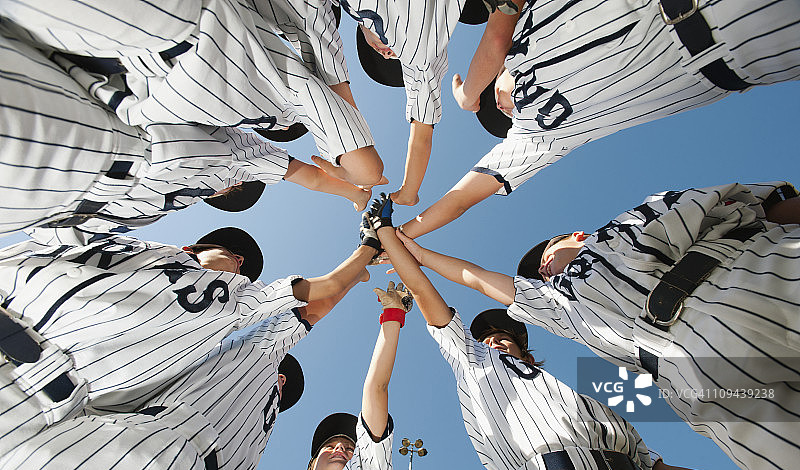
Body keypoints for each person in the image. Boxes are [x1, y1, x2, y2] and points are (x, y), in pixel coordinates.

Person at [371, 180, 800, 470]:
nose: (542, 271)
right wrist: (401, 245)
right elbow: (464, 283)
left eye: (545, 255)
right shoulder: (497, 347)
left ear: (576, 236)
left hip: (750, 282)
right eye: (487, 336)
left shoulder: (589, 383)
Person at [0, 261, 367, 470]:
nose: (283, 384)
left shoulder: (263, 430)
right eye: (286, 378)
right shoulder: (256, 351)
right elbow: (314, 306)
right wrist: (359, 266)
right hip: (131, 448)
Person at [398, 0, 800, 238]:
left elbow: (498, 34)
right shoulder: (536, 133)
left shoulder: (524, 20)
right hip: (744, 52)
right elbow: (461, 198)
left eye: (492, 99)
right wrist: (399, 234)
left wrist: (469, 94)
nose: (502, 109)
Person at [0, 223, 382, 460]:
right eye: (233, 256)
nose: (240, 266)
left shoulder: (235, 306)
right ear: (192, 249)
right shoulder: (137, 248)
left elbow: (320, 296)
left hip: (50, 407)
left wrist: (362, 260)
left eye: (244, 267)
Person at [0, 29, 370, 243]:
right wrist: (354, 192)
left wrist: (355, 192)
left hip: (70, 170)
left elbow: (304, 175)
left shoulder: (202, 178)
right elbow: (304, 175)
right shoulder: (231, 160)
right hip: (73, 166)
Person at [0, 0, 385, 188]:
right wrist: (353, 178)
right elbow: (365, 166)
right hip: (158, 28)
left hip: (117, 50)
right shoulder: (285, 95)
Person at [279, 281, 411, 470]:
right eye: (329, 446)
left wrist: (393, 316)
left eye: (351, 448)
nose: (340, 447)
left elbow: (376, 389)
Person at [338, 0, 488, 206]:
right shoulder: (420, 53)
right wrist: (408, 191)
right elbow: (421, 136)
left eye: (380, 53)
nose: (387, 54)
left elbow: (421, 137)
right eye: (392, 56)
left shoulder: (355, 8)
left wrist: (408, 193)